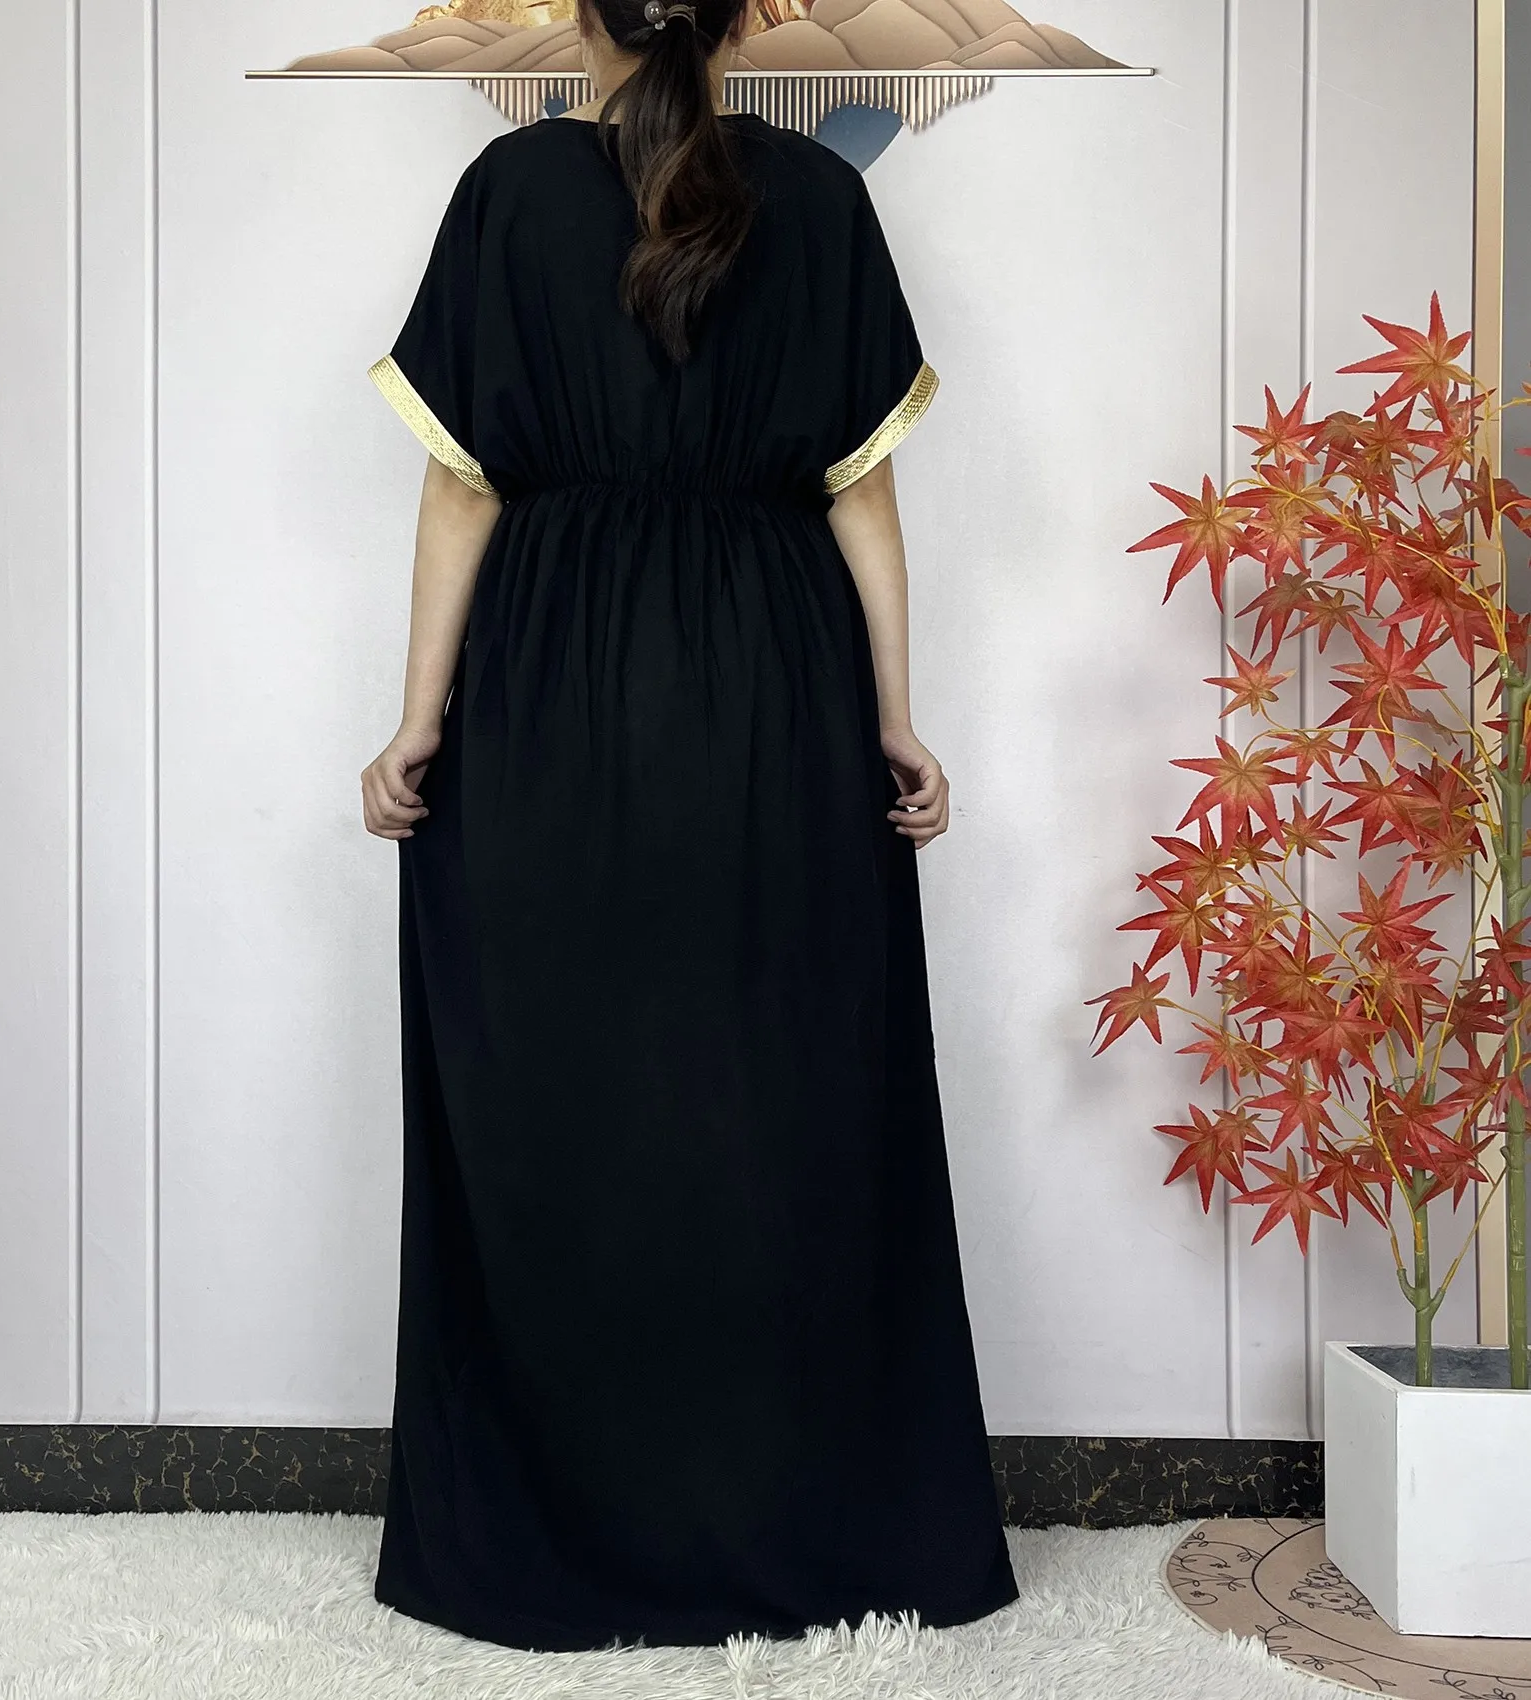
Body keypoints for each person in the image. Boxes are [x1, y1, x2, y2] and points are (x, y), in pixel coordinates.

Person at [357, 0, 1019, 1654]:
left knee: (556, 1099)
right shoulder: (826, 201)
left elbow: (463, 485)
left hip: (550, 686)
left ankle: (553, 1537)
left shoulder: (511, 193)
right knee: (785, 1097)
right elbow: (863, 496)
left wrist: (418, 719)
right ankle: (811, 1526)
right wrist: (894, 715)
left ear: (583, 17)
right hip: (777, 688)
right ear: (737, 22)